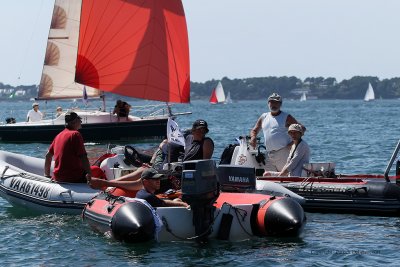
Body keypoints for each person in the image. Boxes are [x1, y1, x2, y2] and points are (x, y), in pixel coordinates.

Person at [250, 93, 306, 172]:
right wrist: (253, 138)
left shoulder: (286, 117)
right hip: (268, 154)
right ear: (268, 103)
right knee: (270, 178)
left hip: (283, 152)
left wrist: (294, 142)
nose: (274, 104)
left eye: (276, 102)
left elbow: (302, 128)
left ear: (280, 104)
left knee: (285, 177)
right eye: (272, 102)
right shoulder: (264, 116)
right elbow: (254, 130)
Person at [44, 111, 92, 183]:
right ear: (74, 122)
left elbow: (48, 156)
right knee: (98, 170)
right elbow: (83, 157)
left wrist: (47, 175)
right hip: (73, 177)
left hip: (58, 177)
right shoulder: (76, 134)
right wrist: (90, 176)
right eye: (79, 119)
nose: (81, 121)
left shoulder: (58, 135)